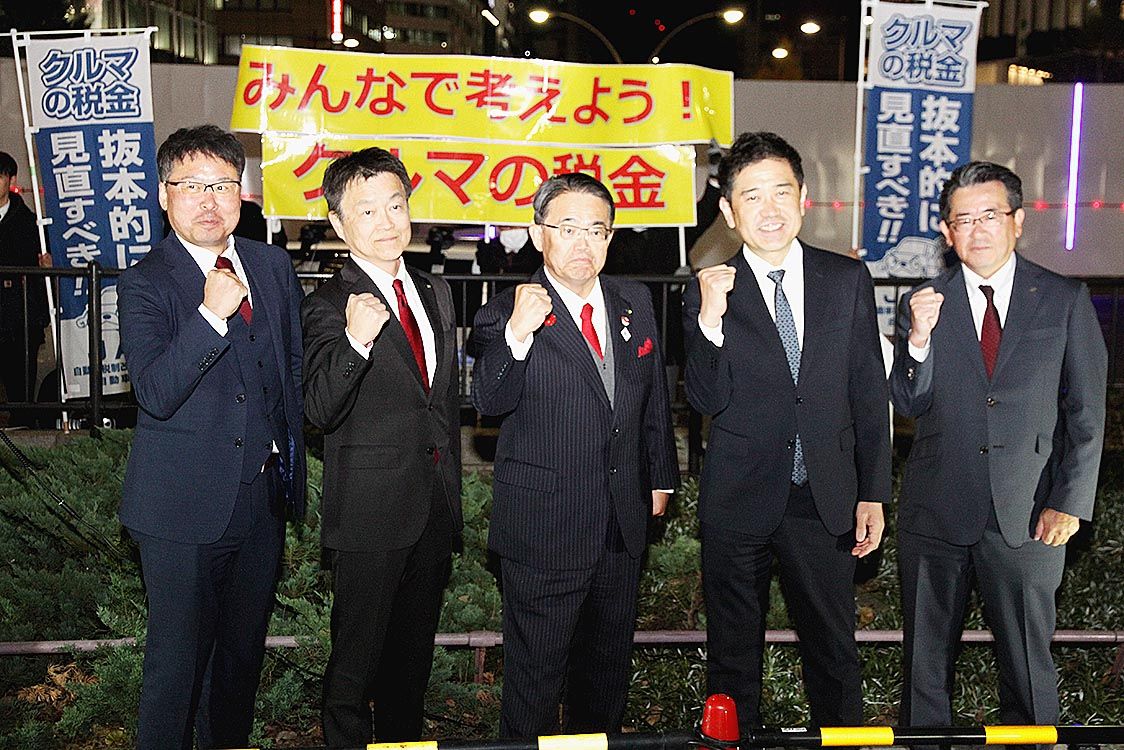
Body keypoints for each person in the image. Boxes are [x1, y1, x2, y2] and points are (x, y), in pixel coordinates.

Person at [682, 131, 891, 735]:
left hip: (823, 497)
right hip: (738, 498)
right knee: (731, 658)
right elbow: (704, 398)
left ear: (804, 198)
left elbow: (867, 390)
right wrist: (710, 321)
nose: (768, 209)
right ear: (729, 212)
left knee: (834, 651)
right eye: (751, 196)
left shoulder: (846, 278)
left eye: (781, 192)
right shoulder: (710, 287)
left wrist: (873, 491)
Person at [891, 161, 1107, 742]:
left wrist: (1070, 502)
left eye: (989, 215)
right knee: (924, 669)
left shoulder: (1063, 298)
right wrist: (917, 341)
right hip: (935, 510)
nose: (977, 230)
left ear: (1017, 221)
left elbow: (1087, 413)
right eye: (962, 220)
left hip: (1031, 511)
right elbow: (907, 401)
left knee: (1029, 666)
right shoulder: (923, 302)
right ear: (946, 232)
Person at [117, 125, 307, 750]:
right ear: (163, 195)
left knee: (239, 662)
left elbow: (287, 373)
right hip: (180, 508)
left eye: (223, 185)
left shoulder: (271, 265)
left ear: (241, 194)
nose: (209, 200)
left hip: (261, 502)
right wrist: (209, 315)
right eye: (192, 185)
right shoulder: (145, 282)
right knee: (176, 668)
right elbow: (154, 391)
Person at [471, 173, 679, 737]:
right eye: (567, 228)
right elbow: (488, 401)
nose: (583, 242)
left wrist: (661, 475)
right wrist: (517, 335)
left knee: (605, 680)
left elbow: (651, 396)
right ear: (538, 234)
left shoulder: (634, 300)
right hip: (545, 528)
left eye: (596, 230)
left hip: (621, 524)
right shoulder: (504, 311)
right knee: (534, 684)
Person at [302, 148, 463, 748]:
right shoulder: (325, 304)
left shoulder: (435, 291)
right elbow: (317, 409)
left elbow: (437, 404)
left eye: (395, 205)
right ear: (339, 223)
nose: (387, 221)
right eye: (367, 210)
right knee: (352, 673)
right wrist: (355, 341)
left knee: (409, 674)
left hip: (434, 509)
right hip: (369, 514)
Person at [0, 151, 51, 425]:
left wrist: (46, 266)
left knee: (20, 392)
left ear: (11, 180)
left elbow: (42, 271)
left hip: (18, 321)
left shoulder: (29, 224)